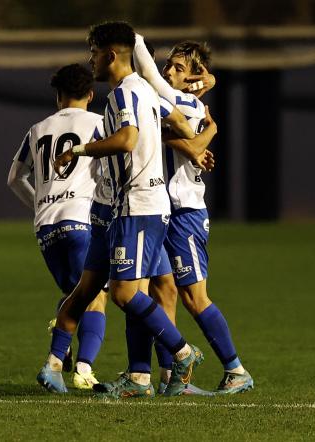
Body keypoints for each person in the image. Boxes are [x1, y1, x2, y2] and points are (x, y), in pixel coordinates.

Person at [38, 22, 205, 398]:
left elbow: (127, 141)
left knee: (125, 294)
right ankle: (54, 367)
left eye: (93, 53)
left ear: (110, 55)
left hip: (139, 206)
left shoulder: (124, 94)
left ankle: (181, 352)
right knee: (85, 289)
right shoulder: (140, 92)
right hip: (115, 208)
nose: (90, 61)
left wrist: (77, 150)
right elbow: (178, 121)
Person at [134, 36, 253, 394]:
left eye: (178, 67)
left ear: (192, 78)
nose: (168, 70)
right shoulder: (180, 99)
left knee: (194, 296)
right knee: (162, 292)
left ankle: (236, 370)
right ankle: (173, 378)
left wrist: (197, 136)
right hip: (162, 210)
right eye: (168, 64)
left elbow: (189, 141)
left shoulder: (184, 103)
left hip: (184, 210)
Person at [8, 64, 108, 389]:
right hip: (80, 221)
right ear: (91, 94)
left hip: (46, 227)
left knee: (73, 296)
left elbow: (14, 178)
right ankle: (82, 368)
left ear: (58, 96)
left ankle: (58, 361)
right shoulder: (99, 124)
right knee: (96, 297)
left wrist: (40, 203)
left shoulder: (37, 129)